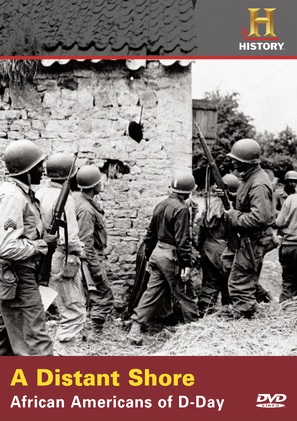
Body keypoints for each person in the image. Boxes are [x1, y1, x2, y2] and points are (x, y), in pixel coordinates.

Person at [127, 170, 199, 345]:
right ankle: (196, 331)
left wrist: (149, 257)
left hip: (158, 254)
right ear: (188, 191)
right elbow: (183, 241)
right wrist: (187, 265)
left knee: (152, 293)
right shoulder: (182, 209)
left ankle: (135, 330)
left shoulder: (160, 204)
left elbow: (150, 234)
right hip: (171, 256)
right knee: (186, 293)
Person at [0, 140, 55, 356]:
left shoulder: (19, 193)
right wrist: (42, 245)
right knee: (35, 342)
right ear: (27, 170)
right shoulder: (12, 196)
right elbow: (6, 246)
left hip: (15, 275)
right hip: (18, 274)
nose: (43, 170)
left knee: (5, 340)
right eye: (38, 166)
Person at [36, 152, 86, 355]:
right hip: (61, 256)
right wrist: (78, 253)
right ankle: (64, 357)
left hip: (42, 255)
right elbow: (71, 237)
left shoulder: (39, 193)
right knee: (74, 312)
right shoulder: (66, 199)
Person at [224, 138, 276, 318]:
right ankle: (251, 306)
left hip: (253, 240)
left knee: (239, 282)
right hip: (249, 239)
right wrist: (230, 195)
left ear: (246, 161)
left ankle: (243, 314)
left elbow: (259, 217)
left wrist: (233, 216)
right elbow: (247, 202)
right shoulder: (251, 178)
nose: (232, 161)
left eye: (235, 159)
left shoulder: (258, 183)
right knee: (239, 274)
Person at [74, 165, 114, 337]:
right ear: (92, 186)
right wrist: (95, 269)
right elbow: (85, 243)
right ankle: (95, 334)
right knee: (104, 295)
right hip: (90, 259)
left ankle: (86, 331)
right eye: (98, 181)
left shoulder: (84, 203)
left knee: (91, 296)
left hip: (92, 256)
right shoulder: (85, 209)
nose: (101, 184)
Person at [194, 174, 240, 316]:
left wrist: (200, 248)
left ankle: (204, 313)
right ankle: (229, 313)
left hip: (207, 248)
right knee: (229, 284)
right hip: (224, 250)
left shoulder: (209, 205)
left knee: (209, 284)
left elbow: (200, 232)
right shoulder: (232, 209)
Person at [275, 181, 297, 302]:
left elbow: (278, 222)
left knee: (288, 281)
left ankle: (283, 310)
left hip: (290, 245)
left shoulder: (291, 199)